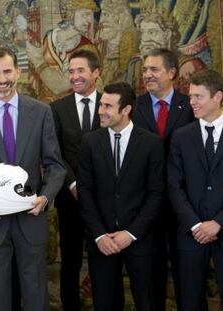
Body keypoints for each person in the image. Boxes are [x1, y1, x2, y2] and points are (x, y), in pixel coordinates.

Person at [0, 46, 66, 311]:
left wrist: (46, 197)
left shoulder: (41, 112)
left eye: (7, 71)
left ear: (18, 72)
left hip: (31, 219)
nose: (2, 78)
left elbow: (55, 165)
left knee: (36, 296)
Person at [77, 82, 165, 310]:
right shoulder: (89, 142)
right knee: (105, 303)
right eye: (100, 105)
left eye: (107, 106)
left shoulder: (151, 143)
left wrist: (132, 233)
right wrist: (99, 236)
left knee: (148, 302)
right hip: (102, 241)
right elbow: (85, 192)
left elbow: (156, 193)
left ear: (126, 110)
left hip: (141, 240)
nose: (100, 111)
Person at [132, 48, 194, 310]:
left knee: (187, 274)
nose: (147, 75)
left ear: (172, 73)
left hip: (185, 203)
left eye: (154, 69)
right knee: (151, 273)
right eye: (145, 70)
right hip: (148, 204)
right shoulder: (134, 109)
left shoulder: (190, 105)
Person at [168, 69, 223, 311]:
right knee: (189, 302)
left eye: (198, 97)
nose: (192, 102)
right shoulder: (181, 137)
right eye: (190, 96)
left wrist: (218, 223)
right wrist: (195, 224)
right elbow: (174, 185)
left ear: (218, 97)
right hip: (191, 234)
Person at [50, 49, 101, 311]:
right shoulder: (57, 109)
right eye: (71, 71)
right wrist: (73, 184)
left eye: (80, 70)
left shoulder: (110, 103)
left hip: (104, 199)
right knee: (70, 258)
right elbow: (54, 153)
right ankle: (70, 304)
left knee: (102, 257)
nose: (74, 76)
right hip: (70, 199)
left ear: (96, 73)